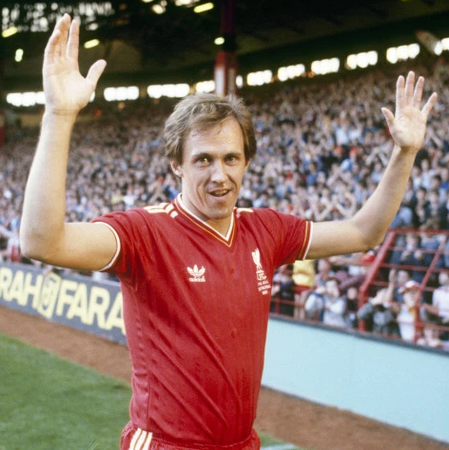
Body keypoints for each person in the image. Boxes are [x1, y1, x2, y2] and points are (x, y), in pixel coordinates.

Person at [19, 14, 437, 450]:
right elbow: (42, 242)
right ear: (177, 165)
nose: (220, 175)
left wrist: (405, 152)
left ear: (246, 161)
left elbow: (363, 233)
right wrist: (59, 115)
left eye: (231, 158)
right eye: (203, 159)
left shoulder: (267, 230)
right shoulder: (145, 232)